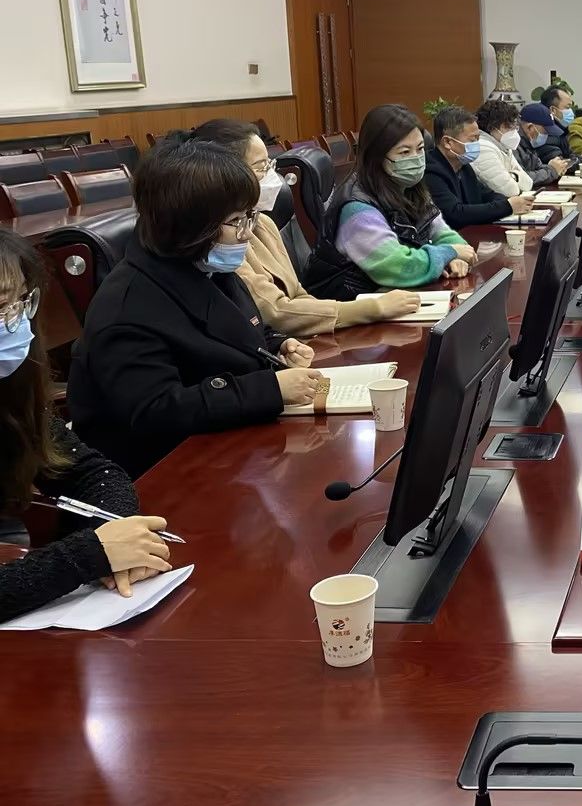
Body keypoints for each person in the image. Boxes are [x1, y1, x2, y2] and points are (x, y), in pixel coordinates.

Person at [69, 139, 325, 477]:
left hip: (231, 446)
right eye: (237, 221)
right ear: (190, 226)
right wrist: (270, 389)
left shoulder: (205, 266)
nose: (248, 234)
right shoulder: (126, 309)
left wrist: (277, 345)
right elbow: (158, 411)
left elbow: (238, 331)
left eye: (249, 217)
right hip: (165, 473)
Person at [0, 229, 174, 621]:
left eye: (23, 301)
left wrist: (117, 541)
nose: (16, 323)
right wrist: (91, 553)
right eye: (0, 307)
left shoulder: (11, 389)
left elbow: (94, 474)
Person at [185, 119, 422, 336]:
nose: (272, 176)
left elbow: (298, 293)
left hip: (297, 342)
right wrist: (370, 309)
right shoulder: (220, 240)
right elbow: (275, 312)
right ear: (226, 174)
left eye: (270, 164)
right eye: (261, 167)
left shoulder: (264, 223)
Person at [304, 105, 475, 301]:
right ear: (376, 156)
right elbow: (396, 266)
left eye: (420, 149)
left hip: (393, 299)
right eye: (404, 152)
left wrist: (455, 256)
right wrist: (448, 253)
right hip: (351, 308)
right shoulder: (357, 207)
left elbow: (442, 232)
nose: (416, 158)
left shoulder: (409, 187)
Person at [425, 105, 534, 227]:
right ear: (448, 142)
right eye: (472, 140)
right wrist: (508, 206)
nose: (477, 145)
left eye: (478, 138)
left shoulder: (464, 167)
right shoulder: (431, 171)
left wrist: (507, 203)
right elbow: (455, 214)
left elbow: (489, 195)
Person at [470, 99, 539, 196]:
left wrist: (511, 176)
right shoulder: (482, 149)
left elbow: (528, 184)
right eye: (508, 127)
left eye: (514, 126)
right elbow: (510, 191)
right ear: (492, 127)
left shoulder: (503, 147)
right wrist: (515, 176)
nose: (513, 131)